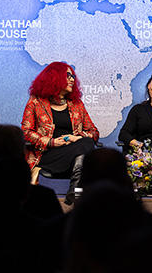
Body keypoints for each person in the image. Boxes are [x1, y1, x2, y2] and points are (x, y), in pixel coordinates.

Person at [21, 62, 99, 205]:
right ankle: (76, 192)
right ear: (54, 77)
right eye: (68, 75)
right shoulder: (36, 102)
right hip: (47, 155)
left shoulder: (77, 104)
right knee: (85, 150)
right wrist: (52, 142)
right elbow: (26, 132)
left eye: (73, 76)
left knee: (85, 147)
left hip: (72, 154)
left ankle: (75, 190)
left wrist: (76, 138)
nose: (72, 79)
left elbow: (94, 132)